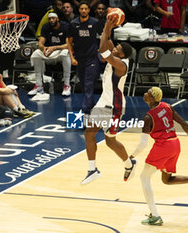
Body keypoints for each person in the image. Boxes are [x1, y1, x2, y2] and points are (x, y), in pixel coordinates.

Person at [130, 87, 188, 225]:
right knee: (167, 180)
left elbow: (143, 144)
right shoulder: (167, 107)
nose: (145, 94)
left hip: (163, 147)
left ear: (152, 98)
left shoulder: (148, 117)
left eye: (148, 93)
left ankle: (155, 216)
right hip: (175, 145)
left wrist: (131, 156)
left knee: (144, 177)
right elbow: (184, 123)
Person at [81, 16, 135, 185]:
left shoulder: (120, 64)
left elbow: (103, 50)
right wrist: (109, 27)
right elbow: (109, 42)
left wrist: (105, 27)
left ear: (122, 54)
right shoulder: (118, 56)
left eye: (117, 48)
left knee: (90, 133)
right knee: (109, 141)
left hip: (112, 106)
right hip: (105, 103)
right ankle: (128, 164)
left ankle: (92, 169)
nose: (114, 48)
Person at [67, 1, 101, 114]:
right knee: (83, 84)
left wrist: (102, 53)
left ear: (89, 10)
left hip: (92, 57)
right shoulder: (73, 23)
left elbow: (103, 38)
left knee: (88, 83)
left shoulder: (95, 22)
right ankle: (91, 105)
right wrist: (72, 57)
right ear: (79, 10)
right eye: (81, 9)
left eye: (86, 9)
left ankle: (85, 111)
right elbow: (69, 41)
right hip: (79, 57)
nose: (84, 11)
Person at [28, 13, 72, 98]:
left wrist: (55, 48)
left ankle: (67, 85)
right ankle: (39, 85)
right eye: (50, 19)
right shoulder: (45, 27)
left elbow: (68, 44)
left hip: (60, 50)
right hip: (49, 50)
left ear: (57, 19)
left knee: (66, 52)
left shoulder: (65, 26)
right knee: (36, 54)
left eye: (53, 18)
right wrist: (42, 48)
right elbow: (40, 43)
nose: (51, 20)